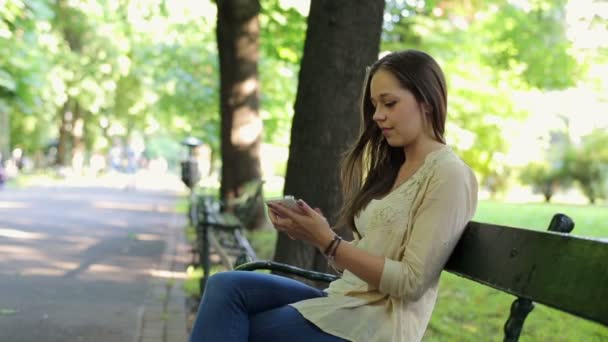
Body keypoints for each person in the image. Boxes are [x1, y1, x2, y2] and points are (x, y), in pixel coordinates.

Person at [189, 49, 478, 342]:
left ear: (426, 101)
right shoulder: (394, 167)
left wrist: (329, 243)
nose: (378, 116)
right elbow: (366, 253)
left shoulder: (449, 175)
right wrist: (318, 234)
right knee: (226, 287)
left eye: (389, 103)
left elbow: (411, 282)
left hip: (378, 324)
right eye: (375, 105)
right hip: (343, 300)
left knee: (241, 329)